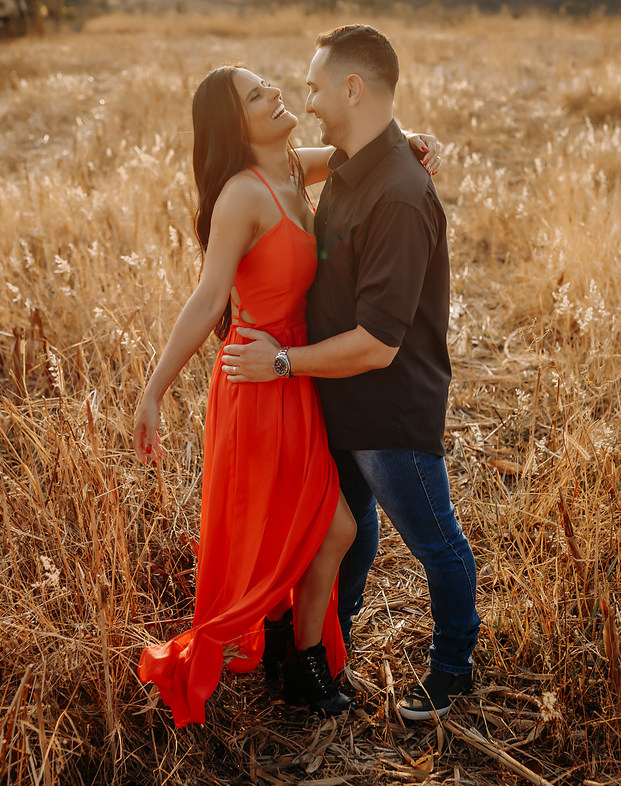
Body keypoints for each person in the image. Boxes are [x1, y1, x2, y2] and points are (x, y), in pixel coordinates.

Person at [132, 64, 441, 728]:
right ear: (233, 126)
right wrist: (154, 390)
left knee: (308, 532)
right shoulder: (243, 195)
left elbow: (362, 146)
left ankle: (288, 657)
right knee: (336, 529)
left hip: (294, 374)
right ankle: (298, 662)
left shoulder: (294, 170)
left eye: (271, 87)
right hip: (256, 380)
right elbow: (207, 299)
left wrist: (411, 139)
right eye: (256, 97)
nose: (276, 96)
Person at [220, 25, 482, 722]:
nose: (305, 101)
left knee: (435, 543)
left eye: (312, 87)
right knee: (349, 531)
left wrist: (279, 363)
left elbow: (378, 345)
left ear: (352, 89)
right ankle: (330, 647)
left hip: (388, 410)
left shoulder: (397, 193)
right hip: (333, 397)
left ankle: (453, 668)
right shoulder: (350, 161)